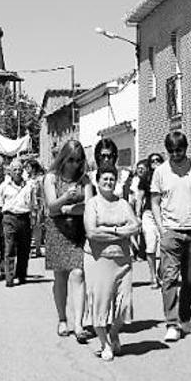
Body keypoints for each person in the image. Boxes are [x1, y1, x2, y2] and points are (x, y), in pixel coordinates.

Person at [151, 131, 191, 342]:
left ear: (185, 148)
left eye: (179, 150)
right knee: (169, 278)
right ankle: (172, 323)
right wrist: (161, 228)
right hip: (171, 231)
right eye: (171, 151)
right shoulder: (160, 172)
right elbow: (155, 202)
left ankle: (185, 317)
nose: (175, 154)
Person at [83, 164, 141, 361]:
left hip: (122, 261)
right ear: (97, 181)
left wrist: (110, 231)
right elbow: (92, 232)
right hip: (98, 260)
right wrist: (119, 231)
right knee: (100, 304)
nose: (108, 183)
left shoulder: (123, 203)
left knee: (124, 304)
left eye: (111, 179)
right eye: (104, 179)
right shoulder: (93, 204)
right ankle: (104, 343)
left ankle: (114, 333)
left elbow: (135, 226)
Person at [43, 140, 94, 342]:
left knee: (78, 273)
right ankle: (62, 319)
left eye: (78, 160)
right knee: (61, 277)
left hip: (77, 232)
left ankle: (79, 324)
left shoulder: (84, 180)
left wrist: (70, 209)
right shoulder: (51, 178)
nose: (74, 164)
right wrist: (64, 198)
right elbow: (51, 207)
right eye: (71, 160)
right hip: (57, 231)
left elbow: (90, 206)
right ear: (63, 159)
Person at [0, 159, 37, 287]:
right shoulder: (4, 186)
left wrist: (33, 217)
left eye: (20, 169)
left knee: (24, 249)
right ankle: (9, 277)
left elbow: (33, 203)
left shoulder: (29, 185)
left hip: (24, 218)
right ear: (10, 171)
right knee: (9, 248)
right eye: (14, 169)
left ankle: (21, 275)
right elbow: (0, 205)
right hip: (9, 218)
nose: (17, 172)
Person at [138, 154, 164, 289]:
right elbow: (140, 197)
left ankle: (160, 272)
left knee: (165, 246)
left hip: (164, 215)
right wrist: (137, 215)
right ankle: (153, 276)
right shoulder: (146, 178)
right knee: (151, 244)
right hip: (148, 214)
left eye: (158, 160)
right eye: (152, 161)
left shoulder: (167, 176)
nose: (155, 163)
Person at [23, 158, 46, 258]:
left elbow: (43, 193)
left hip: (37, 206)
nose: (26, 169)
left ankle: (37, 248)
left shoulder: (40, 179)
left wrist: (42, 206)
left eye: (28, 167)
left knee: (37, 227)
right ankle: (27, 248)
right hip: (26, 206)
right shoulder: (25, 179)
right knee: (27, 228)